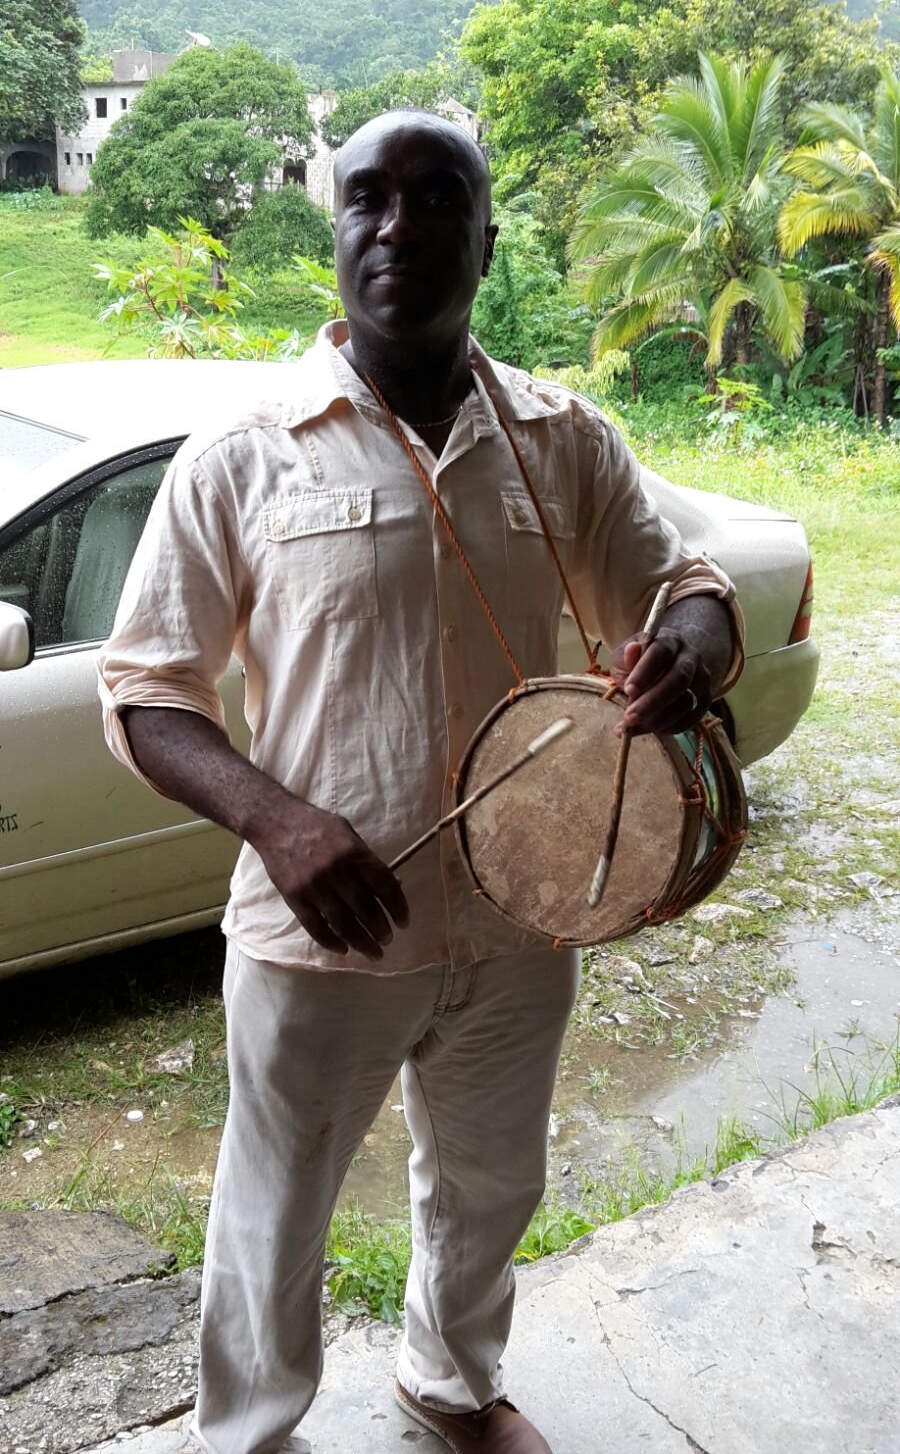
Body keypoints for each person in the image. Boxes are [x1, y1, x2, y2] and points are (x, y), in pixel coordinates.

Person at [97, 109, 744, 1454]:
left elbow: (689, 583)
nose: (400, 224)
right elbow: (147, 693)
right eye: (369, 198)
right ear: (333, 234)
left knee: (492, 1177)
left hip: (525, 914)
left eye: (437, 197)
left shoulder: (565, 439)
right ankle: (252, 1435)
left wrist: (692, 638)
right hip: (323, 929)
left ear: (486, 237)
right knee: (276, 1207)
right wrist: (275, 819)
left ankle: (449, 1386)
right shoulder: (242, 457)